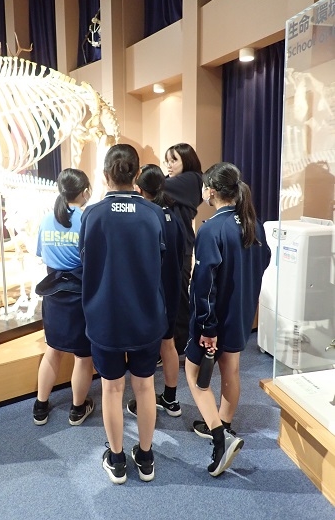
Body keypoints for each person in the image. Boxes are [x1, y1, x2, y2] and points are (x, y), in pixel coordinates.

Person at [79, 144, 168, 484]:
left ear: (105, 176)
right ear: (136, 175)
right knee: (145, 387)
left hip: (105, 318)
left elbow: (85, 261)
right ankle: (145, 458)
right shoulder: (153, 213)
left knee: (112, 390)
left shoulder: (92, 215)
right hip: (146, 317)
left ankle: (116, 460)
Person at [185, 162, 271, 477]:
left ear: (210, 190)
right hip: (242, 313)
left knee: (193, 373)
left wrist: (207, 327)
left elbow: (203, 284)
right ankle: (223, 425)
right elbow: (263, 262)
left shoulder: (210, 229)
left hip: (214, 319)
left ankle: (220, 439)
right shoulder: (253, 223)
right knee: (231, 369)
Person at [32, 168, 95, 427]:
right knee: (83, 356)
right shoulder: (87, 220)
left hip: (53, 294)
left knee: (53, 350)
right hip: (79, 295)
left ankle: (40, 407)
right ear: (85, 192)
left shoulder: (46, 219)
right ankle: (77, 410)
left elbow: (42, 254)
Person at [127, 164, 185, 418]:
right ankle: (171, 399)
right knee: (168, 344)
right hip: (173, 288)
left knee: (148, 349)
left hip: (151, 294)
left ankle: (145, 401)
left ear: (140, 188)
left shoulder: (147, 216)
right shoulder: (175, 216)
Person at [163, 143, 203, 357]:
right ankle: (173, 346)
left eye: (174, 160)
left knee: (179, 296)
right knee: (171, 296)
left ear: (186, 160)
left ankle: (185, 346)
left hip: (181, 246)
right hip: (170, 246)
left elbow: (153, 184)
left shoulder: (193, 179)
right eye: (167, 160)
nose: (169, 165)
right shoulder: (171, 182)